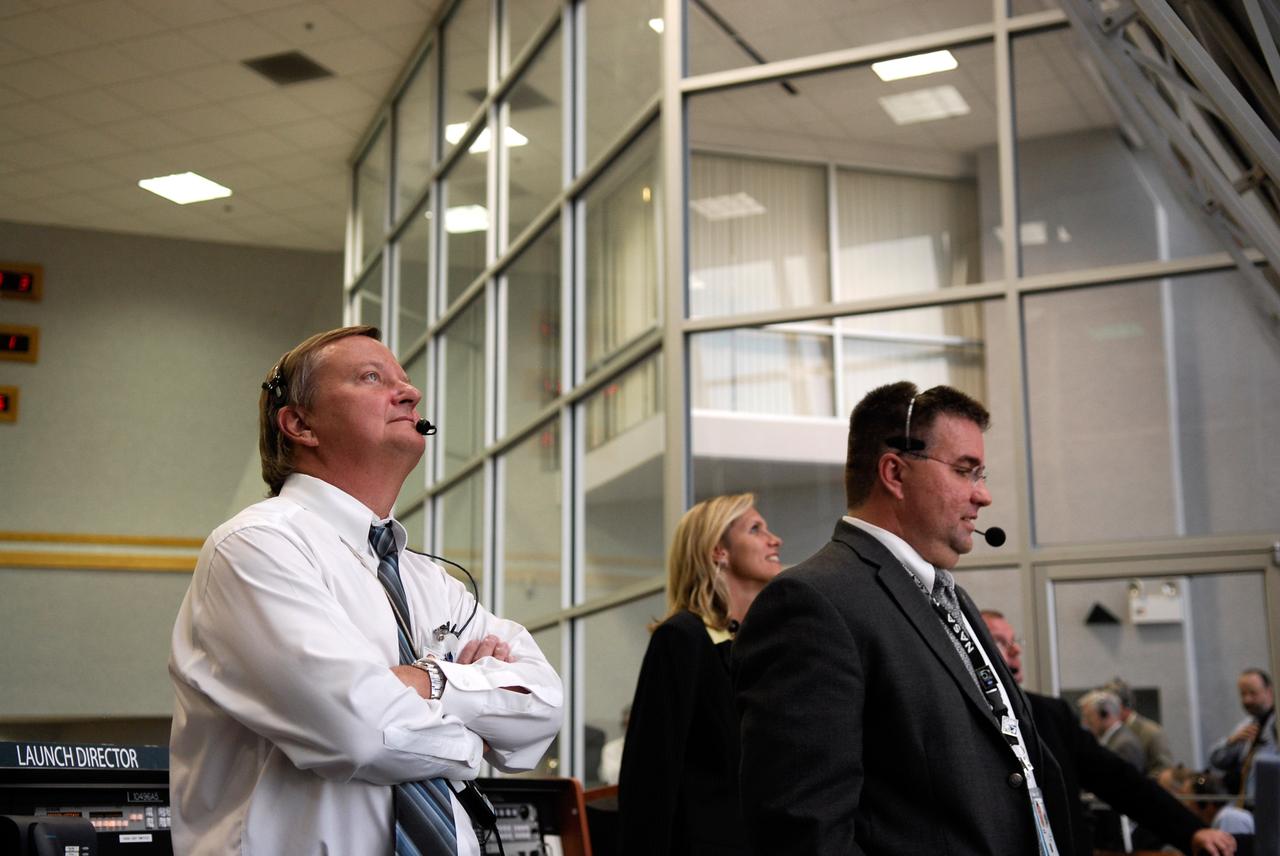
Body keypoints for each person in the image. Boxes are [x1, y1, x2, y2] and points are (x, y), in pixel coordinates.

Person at [168, 326, 563, 855]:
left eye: (405, 380)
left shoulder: (429, 581)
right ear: (298, 423)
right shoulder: (255, 547)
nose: (410, 393)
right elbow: (360, 732)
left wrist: (429, 682)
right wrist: (474, 734)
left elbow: (543, 707)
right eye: (372, 378)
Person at [733, 381, 1073, 855]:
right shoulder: (813, 603)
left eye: (981, 473)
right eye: (965, 471)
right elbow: (804, 830)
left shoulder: (945, 595)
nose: (984, 496)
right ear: (894, 472)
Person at [983, 610, 1236, 856]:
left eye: (1015, 641)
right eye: (1000, 641)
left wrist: (1190, 831)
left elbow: (1118, 779)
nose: (1016, 650)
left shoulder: (1051, 715)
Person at [619, 493, 783, 856]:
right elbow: (649, 777)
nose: (776, 540)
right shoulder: (681, 639)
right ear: (718, 551)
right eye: (756, 529)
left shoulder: (765, 647)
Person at [1209, 668, 1278, 804]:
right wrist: (1231, 741)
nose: (1247, 700)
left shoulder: (1276, 724)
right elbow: (1215, 760)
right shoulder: (1247, 725)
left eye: (1253, 693)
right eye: (1243, 694)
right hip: (1246, 802)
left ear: (1269, 692)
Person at [1104, 676, 1174, 776]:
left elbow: (1164, 771)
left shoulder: (1153, 732)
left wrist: (1139, 785)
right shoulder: (1109, 731)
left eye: (1108, 705)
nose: (1105, 711)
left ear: (1122, 706)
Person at [1078, 689, 1146, 771]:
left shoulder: (1125, 745)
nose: (1085, 722)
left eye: (1088, 716)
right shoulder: (1109, 740)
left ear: (1105, 714)